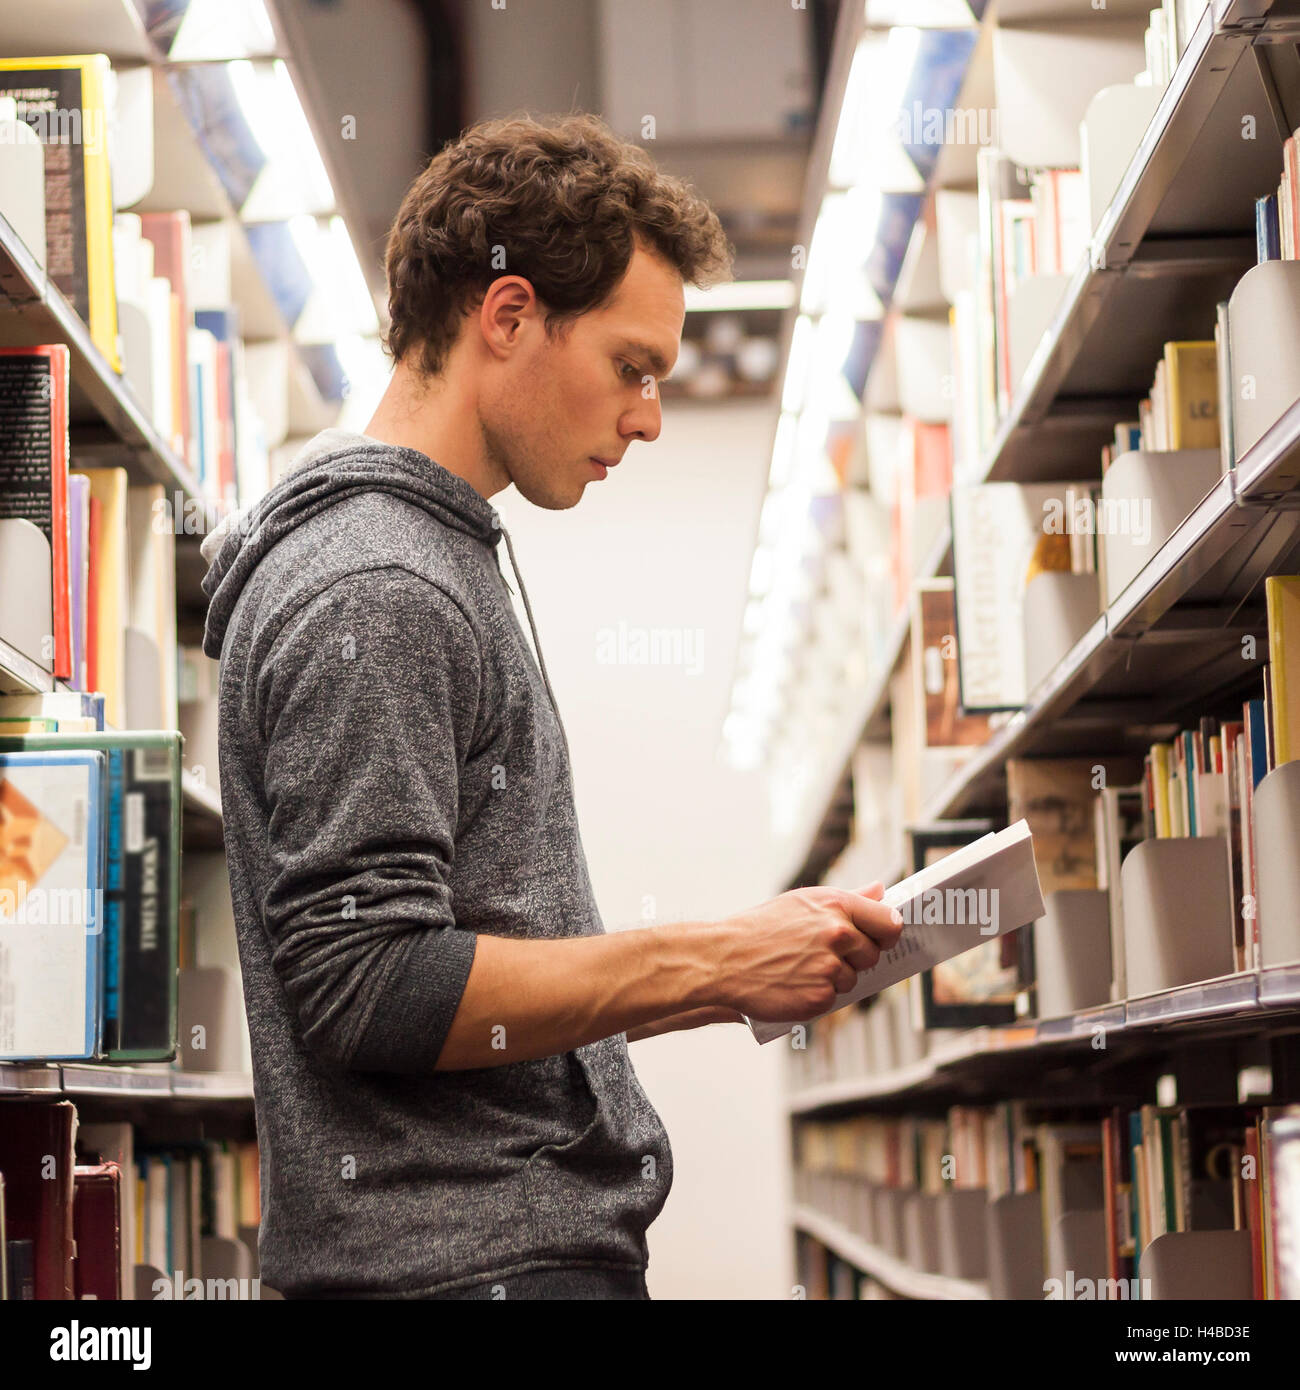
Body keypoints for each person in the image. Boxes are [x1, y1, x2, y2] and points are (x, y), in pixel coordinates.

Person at [200, 111, 901, 1301]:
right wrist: (720, 960)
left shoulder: (428, 555)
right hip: (471, 1268)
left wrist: (735, 965)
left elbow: (435, 958)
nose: (647, 416)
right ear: (510, 315)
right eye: (631, 367)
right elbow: (368, 984)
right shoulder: (381, 581)